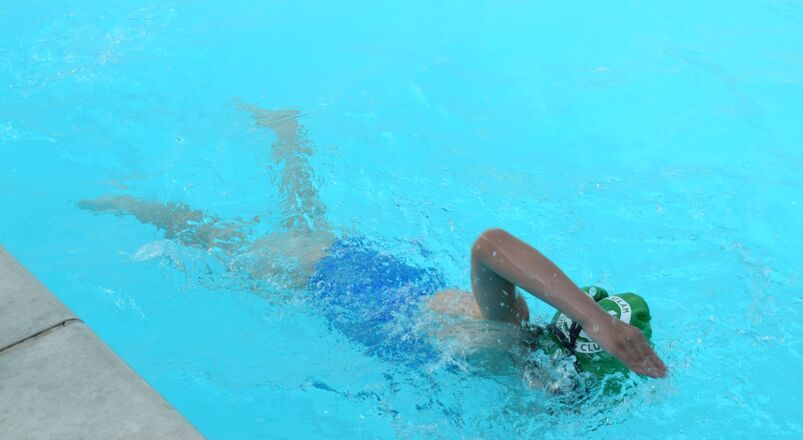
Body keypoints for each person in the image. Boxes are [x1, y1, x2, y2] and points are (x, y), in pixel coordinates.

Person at [79, 105, 666, 390]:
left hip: (375, 278)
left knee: (307, 220)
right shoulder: (507, 329)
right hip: (330, 282)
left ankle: (287, 134)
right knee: (221, 242)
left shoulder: (512, 365)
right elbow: (491, 244)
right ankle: (134, 205)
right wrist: (597, 322)